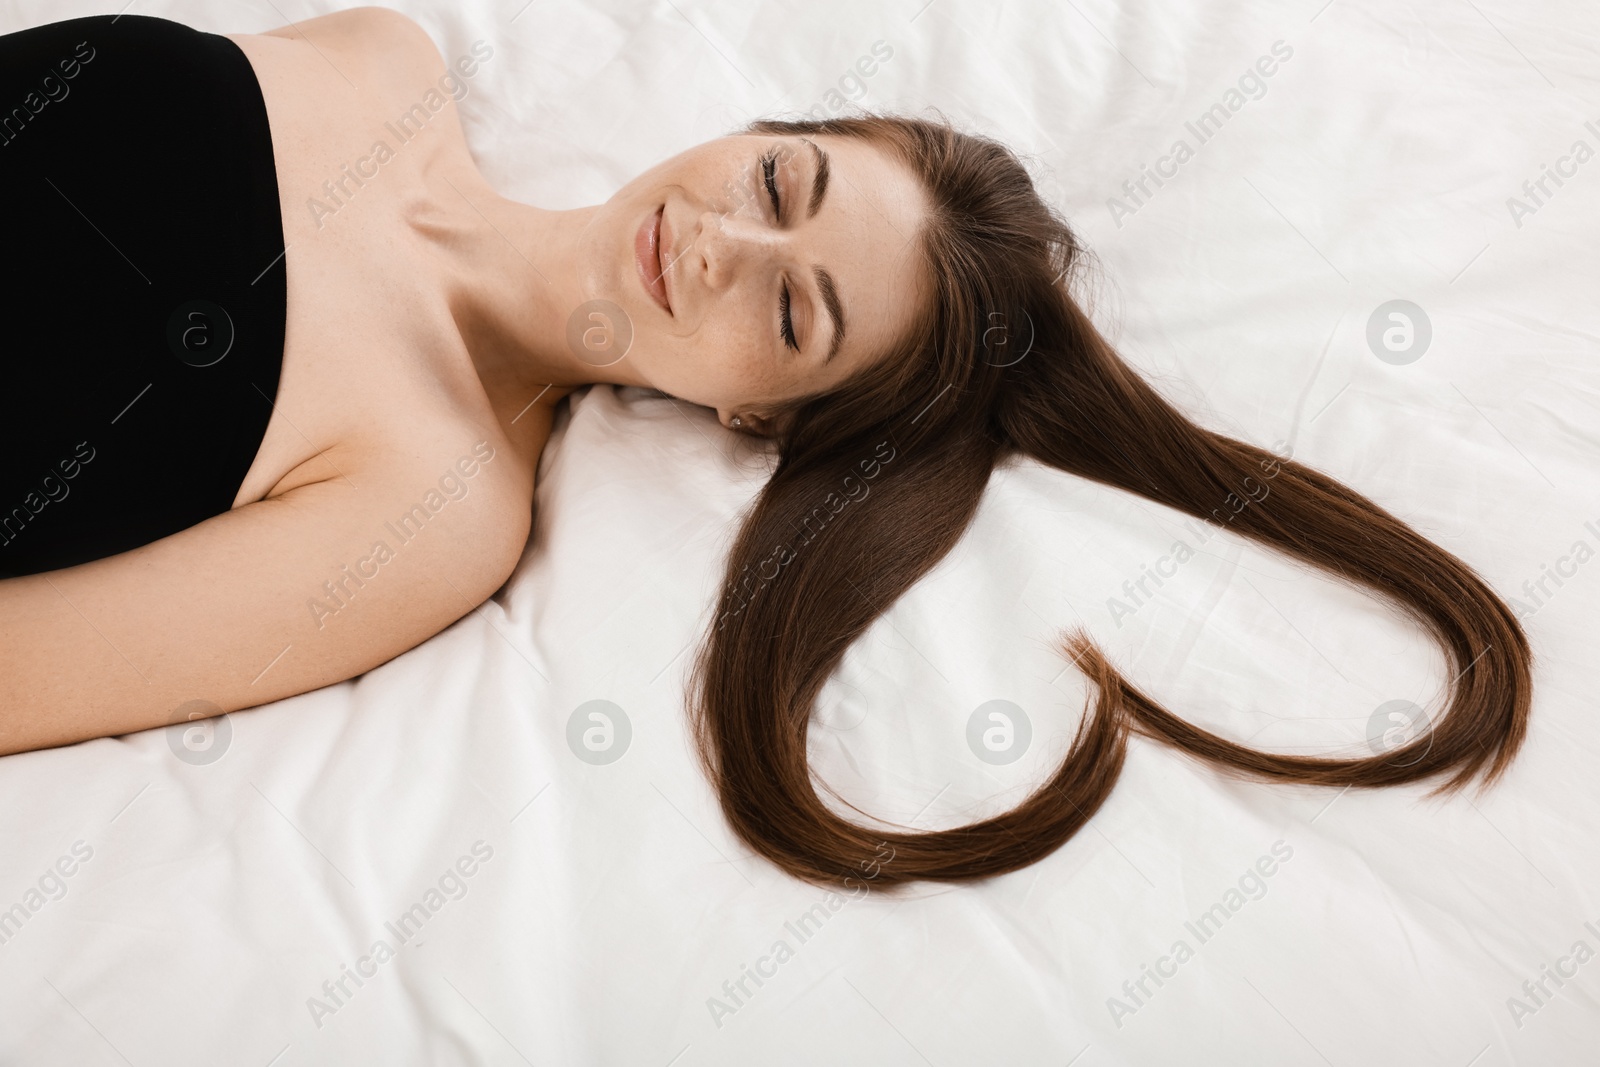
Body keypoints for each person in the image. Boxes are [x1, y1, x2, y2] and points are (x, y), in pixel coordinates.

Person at [0, 10, 1531, 891]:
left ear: (760, 422)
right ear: (759, 130)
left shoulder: (442, 505)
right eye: (781, 182)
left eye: (795, 316)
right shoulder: (381, 62)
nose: (722, 241)